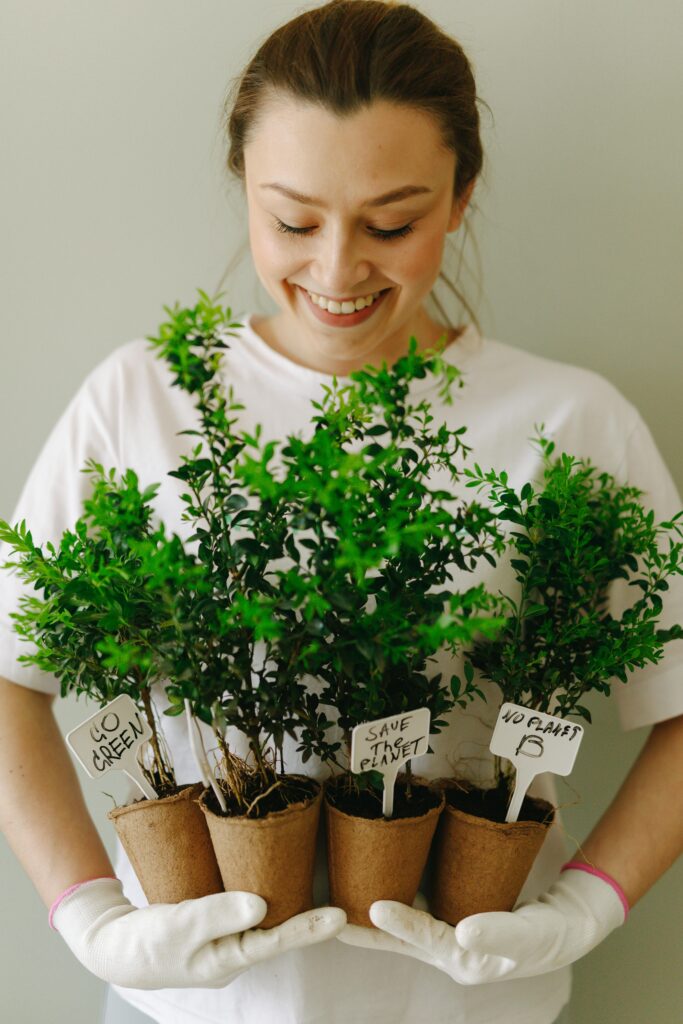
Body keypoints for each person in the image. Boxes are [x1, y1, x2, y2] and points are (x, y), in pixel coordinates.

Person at [0, 2, 681, 1023]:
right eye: (292, 220)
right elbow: (14, 678)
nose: (334, 270)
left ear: (460, 196)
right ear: (243, 187)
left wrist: (589, 903)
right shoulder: (140, 400)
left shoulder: (569, 422)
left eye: (390, 223)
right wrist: (87, 909)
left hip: (471, 1008)